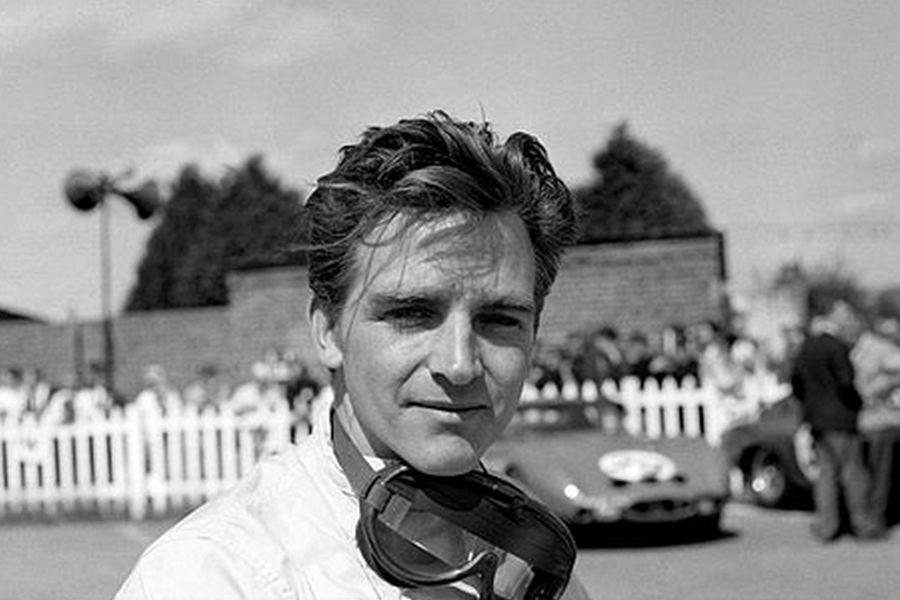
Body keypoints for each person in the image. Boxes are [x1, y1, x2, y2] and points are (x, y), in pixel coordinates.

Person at [115, 110, 587, 600]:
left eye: (499, 320)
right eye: (412, 313)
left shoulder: (537, 555)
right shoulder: (212, 575)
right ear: (328, 332)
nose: (459, 364)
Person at [790, 292, 885, 542]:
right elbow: (846, 383)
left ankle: (827, 527)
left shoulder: (806, 348)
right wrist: (859, 403)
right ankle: (862, 524)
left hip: (817, 420)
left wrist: (810, 405)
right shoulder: (837, 347)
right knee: (853, 472)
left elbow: (796, 383)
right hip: (840, 419)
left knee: (826, 474)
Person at [852, 314, 900, 530]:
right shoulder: (873, 349)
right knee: (876, 475)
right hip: (874, 422)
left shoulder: (869, 348)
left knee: (872, 474)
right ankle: (873, 519)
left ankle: (870, 519)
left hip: (871, 422)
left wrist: (880, 387)